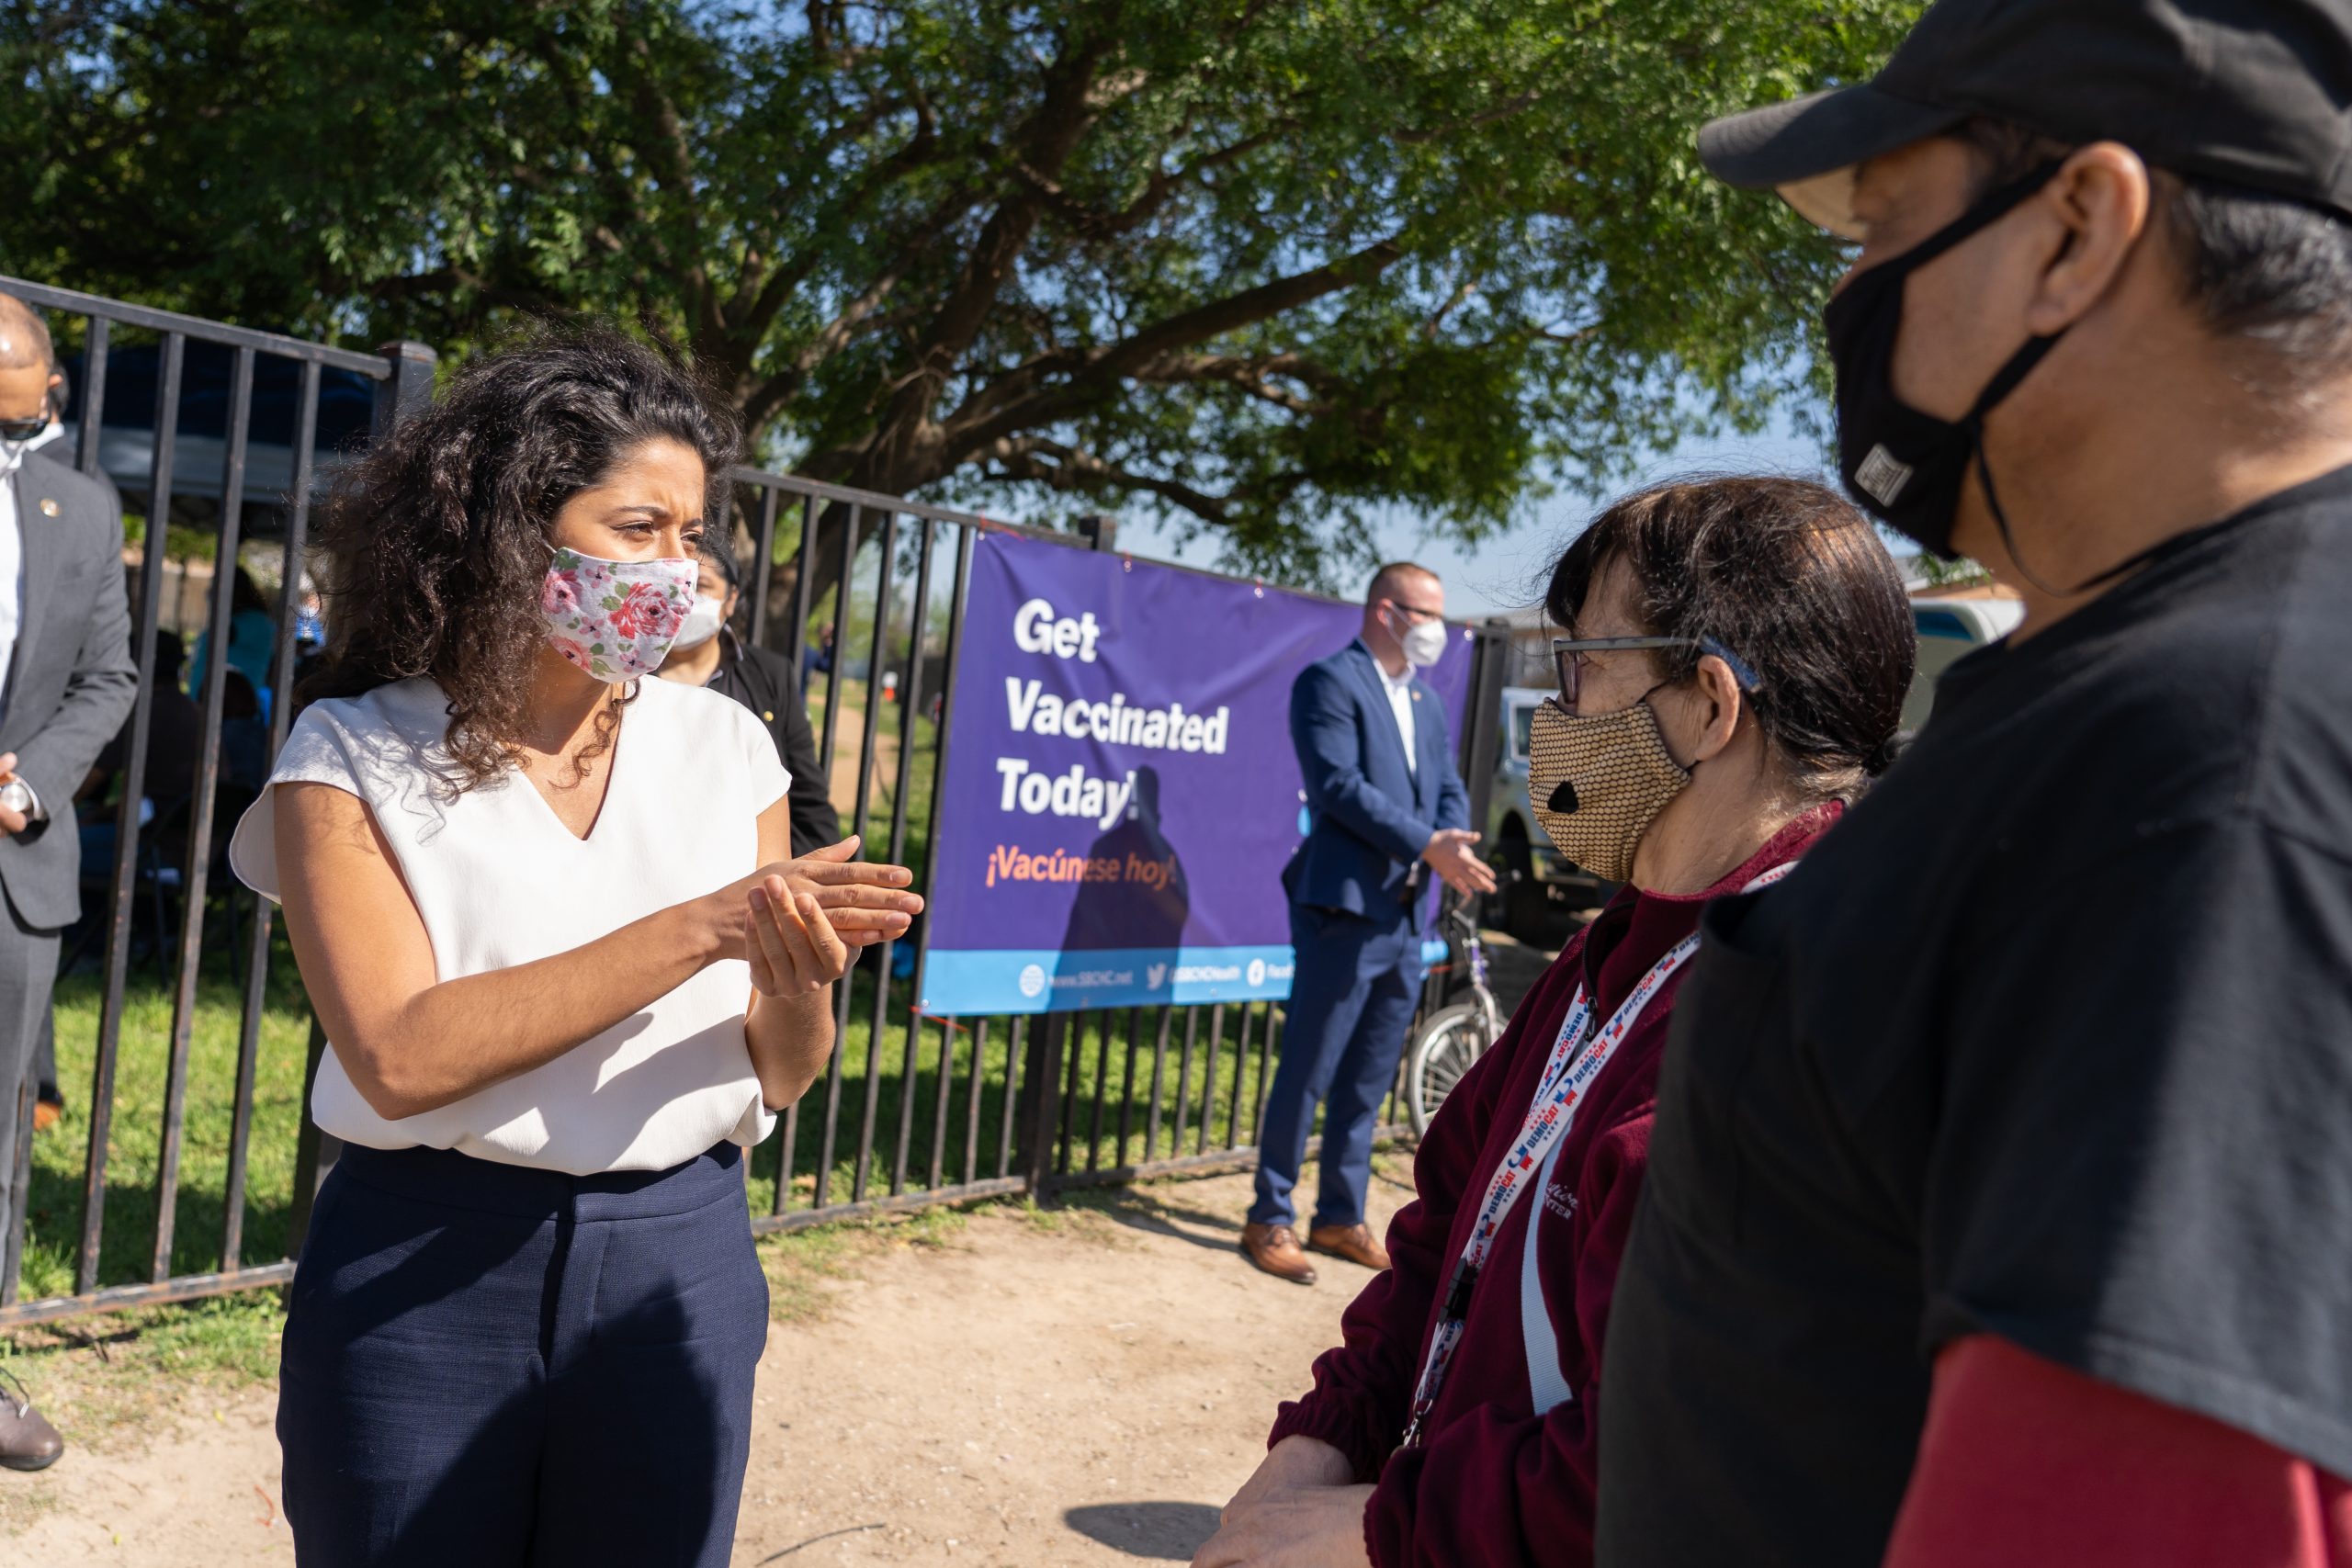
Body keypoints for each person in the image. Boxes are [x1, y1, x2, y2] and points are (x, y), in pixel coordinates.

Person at [1597, 4, 2352, 1565]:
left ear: (2077, 228)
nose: (1850, 292)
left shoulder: (2215, 757)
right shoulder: (2171, 697)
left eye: (1881, 229)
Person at [226, 330, 923, 1563]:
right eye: (640, 526)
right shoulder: (348, 755)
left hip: (677, 1263)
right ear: (509, 530)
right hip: (420, 1268)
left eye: (693, 533)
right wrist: (705, 923)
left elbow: (781, 1068)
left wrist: (797, 975)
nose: (682, 567)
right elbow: (396, 1051)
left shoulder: (729, 749)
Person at [1194, 479, 1913, 1568]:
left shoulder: (1799, 1019)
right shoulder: (1607, 952)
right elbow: (1443, 1239)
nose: (1555, 714)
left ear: (1711, 705)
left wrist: (1374, 1529)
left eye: (1581, 665)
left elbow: (1668, 1475)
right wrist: (1319, 1445)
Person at [1242, 564, 1497, 1286]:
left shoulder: (1423, 699)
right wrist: (1427, 845)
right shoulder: (1329, 682)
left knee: (1368, 1076)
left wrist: (1452, 842)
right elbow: (1338, 788)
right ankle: (1270, 1213)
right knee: (1309, 1068)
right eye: (1424, 614)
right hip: (1343, 909)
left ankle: (1338, 1215)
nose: (1435, 631)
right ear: (1385, 611)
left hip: (1403, 915)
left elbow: (1446, 782)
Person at [0, 293, 138, 1474]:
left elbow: (109, 676)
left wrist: (30, 783)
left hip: (10, 858)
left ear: (49, 389)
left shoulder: (82, 506)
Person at [652, 541, 841, 856]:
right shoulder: (622, 675)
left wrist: (810, 878)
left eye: (701, 586)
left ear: (731, 599)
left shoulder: (770, 675)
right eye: (675, 583)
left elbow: (806, 794)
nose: (685, 596)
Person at [187, 565, 277, 717]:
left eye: (215, 586)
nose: (209, 592)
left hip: (232, 712)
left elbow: (224, 634)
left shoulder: (255, 622)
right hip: (211, 707)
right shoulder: (241, 620)